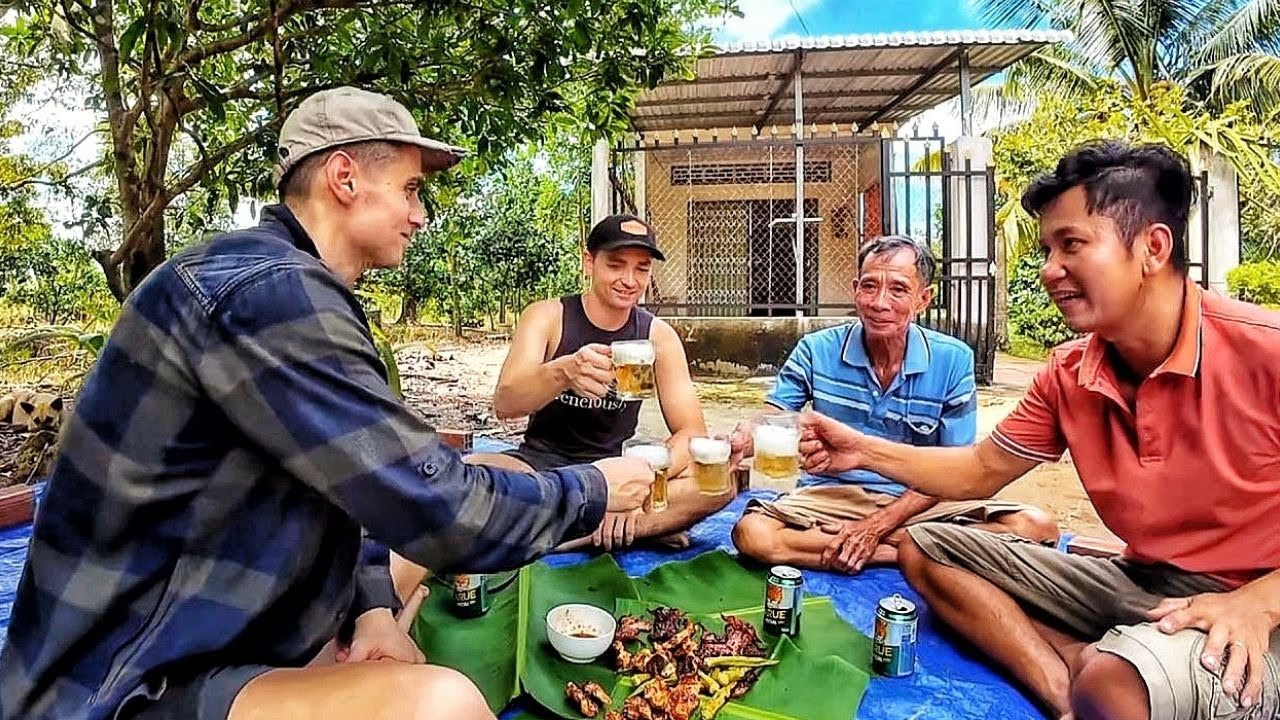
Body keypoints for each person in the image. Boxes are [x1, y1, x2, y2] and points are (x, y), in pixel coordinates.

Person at [0, 87, 655, 720]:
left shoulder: (286, 284)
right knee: (439, 703)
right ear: (344, 177)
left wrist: (370, 606)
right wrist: (595, 491)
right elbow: (436, 505)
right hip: (132, 678)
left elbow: (361, 483)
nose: (420, 214)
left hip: (230, 599)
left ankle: (335, 653)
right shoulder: (273, 295)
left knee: (502, 480)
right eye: (409, 189)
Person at [796, 141, 1280, 720]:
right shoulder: (1070, 371)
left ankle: (1101, 675)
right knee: (926, 548)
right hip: (1143, 581)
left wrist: (1260, 601)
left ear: (1153, 247)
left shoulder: (1265, 353)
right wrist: (859, 448)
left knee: (1118, 686)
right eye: (1048, 249)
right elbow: (977, 472)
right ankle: (1065, 681)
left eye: (1071, 244)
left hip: (1251, 608)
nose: (1050, 270)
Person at [391, 214, 729, 599]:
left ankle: (565, 529)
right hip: (538, 467)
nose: (629, 280)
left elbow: (691, 432)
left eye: (641, 269)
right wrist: (565, 371)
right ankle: (603, 530)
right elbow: (506, 403)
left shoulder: (657, 336)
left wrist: (646, 481)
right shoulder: (548, 316)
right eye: (615, 265)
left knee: (718, 483)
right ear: (589, 262)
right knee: (451, 481)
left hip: (613, 476)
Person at [730, 235, 1057, 574]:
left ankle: (883, 547)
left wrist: (877, 527)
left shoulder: (953, 360)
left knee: (1035, 527)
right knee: (753, 534)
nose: (879, 302)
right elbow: (774, 418)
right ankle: (916, 549)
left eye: (898, 290)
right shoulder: (816, 349)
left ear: (924, 298)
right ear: (856, 289)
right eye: (869, 286)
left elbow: (956, 470)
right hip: (832, 496)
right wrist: (744, 437)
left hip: (918, 501)